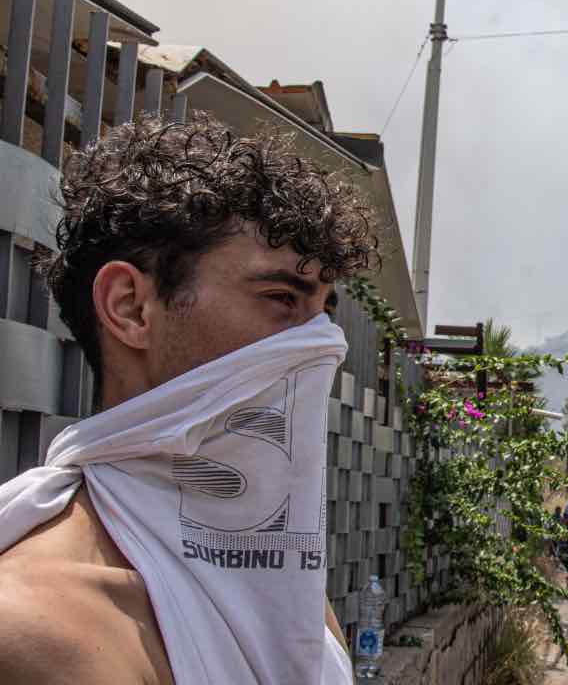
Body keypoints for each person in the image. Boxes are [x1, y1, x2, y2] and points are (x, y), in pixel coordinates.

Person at [0, 114, 377, 684]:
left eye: (323, 312)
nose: (324, 344)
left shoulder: (276, 579)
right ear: (130, 307)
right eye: (280, 297)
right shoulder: (41, 632)